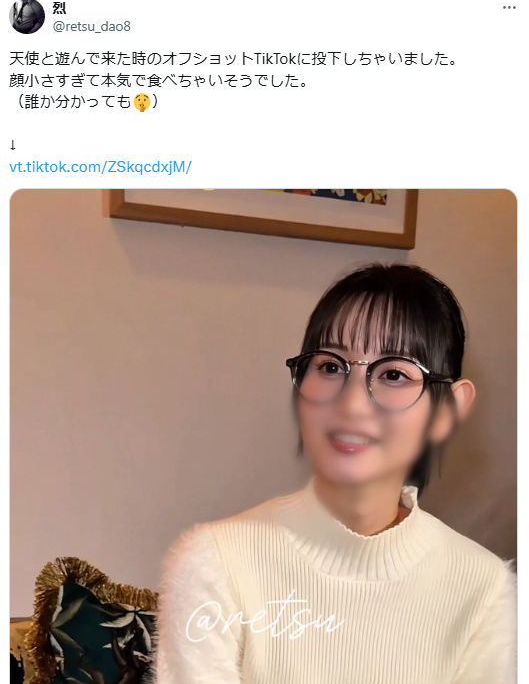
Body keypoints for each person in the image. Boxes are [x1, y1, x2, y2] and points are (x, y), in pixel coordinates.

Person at [153, 263, 516, 684]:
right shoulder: (215, 563)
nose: (351, 403)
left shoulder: (485, 590)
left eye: (393, 374)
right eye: (330, 367)